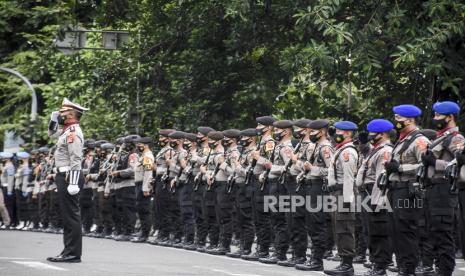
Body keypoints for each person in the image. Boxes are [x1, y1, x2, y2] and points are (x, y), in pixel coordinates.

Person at [384, 104, 430, 275]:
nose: (396, 122)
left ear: (410, 120)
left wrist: (401, 168)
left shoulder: (420, 140)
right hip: (396, 189)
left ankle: (409, 267)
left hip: (408, 190)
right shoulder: (402, 139)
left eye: (399, 119)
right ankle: (402, 265)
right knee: (395, 230)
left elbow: (424, 167)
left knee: (406, 230)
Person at [422, 101, 464, 276]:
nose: (435, 118)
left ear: (450, 117)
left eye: (439, 116)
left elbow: (459, 164)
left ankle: (445, 271)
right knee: (434, 233)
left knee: (443, 233)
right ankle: (439, 268)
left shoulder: (455, 138)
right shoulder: (439, 137)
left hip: (444, 189)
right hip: (433, 189)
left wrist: (434, 163)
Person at [47, 98, 88, 263]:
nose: (60, 113)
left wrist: (73, 182)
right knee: (67, 215)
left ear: (71, 114)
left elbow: (76, 159)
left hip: (69, 176)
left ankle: (73, 253)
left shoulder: (73, 133)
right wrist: (52, 120)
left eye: (62, 111)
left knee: (71, 216)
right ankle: (67, 251)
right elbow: (51, 134)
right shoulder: (66, 130)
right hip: (64, 176)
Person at [295, 119, 334, 271]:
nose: (310, 134)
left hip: (320, 188)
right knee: (311, 224)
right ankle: (314, 258)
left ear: (322, 132)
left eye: (313, 131)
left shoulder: (325, 148)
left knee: (318, 224)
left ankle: (317, 260)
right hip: (311, 187)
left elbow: (332, 170)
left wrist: (313, 169)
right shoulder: (317, 146)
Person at [324, 121, 359, 276]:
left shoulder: (348, 152)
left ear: (348, 134)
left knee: (344, 228)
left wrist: (347, 200)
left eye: (339, 131)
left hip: (343, 194)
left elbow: (349, 178)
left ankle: (347, 265)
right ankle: (343, 261)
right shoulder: (341, 150)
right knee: (339, 228)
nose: (335, 133)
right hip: (336, 193)